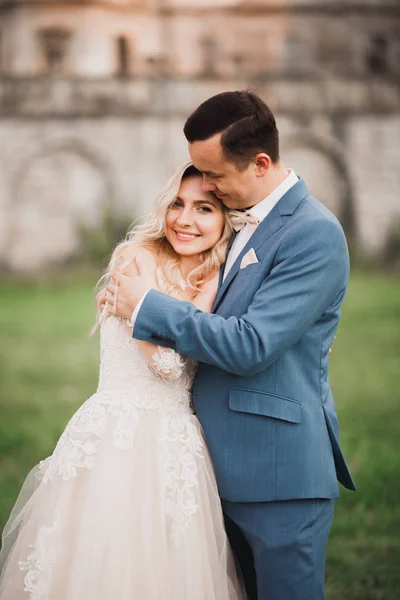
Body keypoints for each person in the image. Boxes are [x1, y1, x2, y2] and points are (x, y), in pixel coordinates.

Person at [107, 90, 356, 600]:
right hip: (206, 469)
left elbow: (253, 343)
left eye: (216, 176)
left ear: (260, 162)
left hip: (277, 474)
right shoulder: (233, 224)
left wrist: (147, 305)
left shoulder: (314, 233)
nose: (210, 190)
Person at [0, 163, 244, 599]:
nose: (185, 220)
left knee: (167, 566)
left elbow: (175, 357)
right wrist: (152, 317)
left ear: (225, 218)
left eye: (203, 208)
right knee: (97, 555)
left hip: (173, 444)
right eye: (177, 204)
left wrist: (140, 309)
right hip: (115, 436)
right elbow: (167, 364)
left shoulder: (214, 279)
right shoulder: (137, 257)